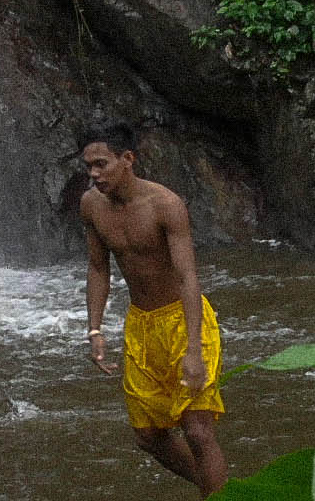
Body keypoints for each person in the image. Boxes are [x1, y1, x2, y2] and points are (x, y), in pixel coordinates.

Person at [79, 120, 229, 497]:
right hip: (141, 325)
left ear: (127, 159)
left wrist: (193, 349)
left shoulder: (165, 205)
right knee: (148, 436)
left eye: (101, 164)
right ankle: (223, 491)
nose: (94, 174)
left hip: (184, 320)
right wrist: (94, 329)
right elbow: (98, 268)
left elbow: (187, 277)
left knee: (197, 431)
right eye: (89, 167)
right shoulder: (91, 206)